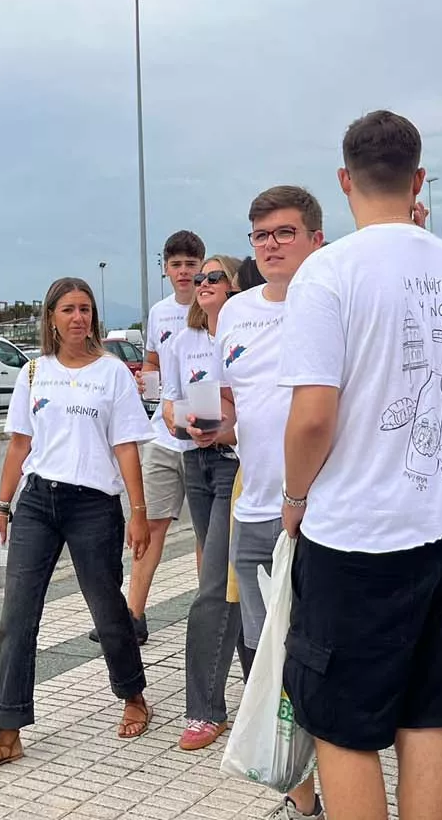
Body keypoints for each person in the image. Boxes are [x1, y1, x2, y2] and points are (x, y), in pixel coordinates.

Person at [279, 111, 442, 820]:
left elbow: (313, 415)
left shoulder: (328, 272)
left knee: (344, 728)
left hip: (359, 531)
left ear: (344, 180)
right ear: (416, 180)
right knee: (426, 718)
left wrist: (293, 495)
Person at [0, 278, 153, 781]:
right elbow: (19, 446)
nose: (78, 318)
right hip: (38, 503)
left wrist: (137, 511)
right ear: (51, 317)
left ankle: (133, 695)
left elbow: (127, 445)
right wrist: (0, 508)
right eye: (68, 309)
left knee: (108, 608)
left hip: (94, 505)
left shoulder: (112, 374)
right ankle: (8, 734)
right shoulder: (33, 372)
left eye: (86, 309)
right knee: (17, 617)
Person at [221, 185, 327, 819]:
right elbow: (239, 404)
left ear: (316, 238)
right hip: (254, 508)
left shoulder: (331, 299)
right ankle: (300, 793)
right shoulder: (235, 311)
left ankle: (340, 784)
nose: (270, 245)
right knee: (270, 658)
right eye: (261, 235)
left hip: (319, 513)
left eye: (285, 233)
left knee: (317, 657)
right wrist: (211, 424)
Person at [94, 231, 204, 646]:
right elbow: (155, 362)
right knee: (151, 525)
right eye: (176, 265)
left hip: (204, 436)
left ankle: (207, 616)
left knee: (205, 534)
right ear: (165, 269)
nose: (183, 273)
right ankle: (132, 615)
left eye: (191, 265)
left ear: (202, 267)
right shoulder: (159, 313)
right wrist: (147, 382)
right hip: (163, 433)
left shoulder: (216, 306)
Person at [159, 253, 244, 751]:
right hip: (197, 462)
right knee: (228, 580)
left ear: (234, 287)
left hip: (239, 464)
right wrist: (181, 421)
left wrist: (228, 426)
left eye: (214, 276)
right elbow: (168, 401)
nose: (201, 281)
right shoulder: (182, 340)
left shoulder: (242, 334)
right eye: (199, 276)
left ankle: (205, 710)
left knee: (217, 583)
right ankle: (248, 697)